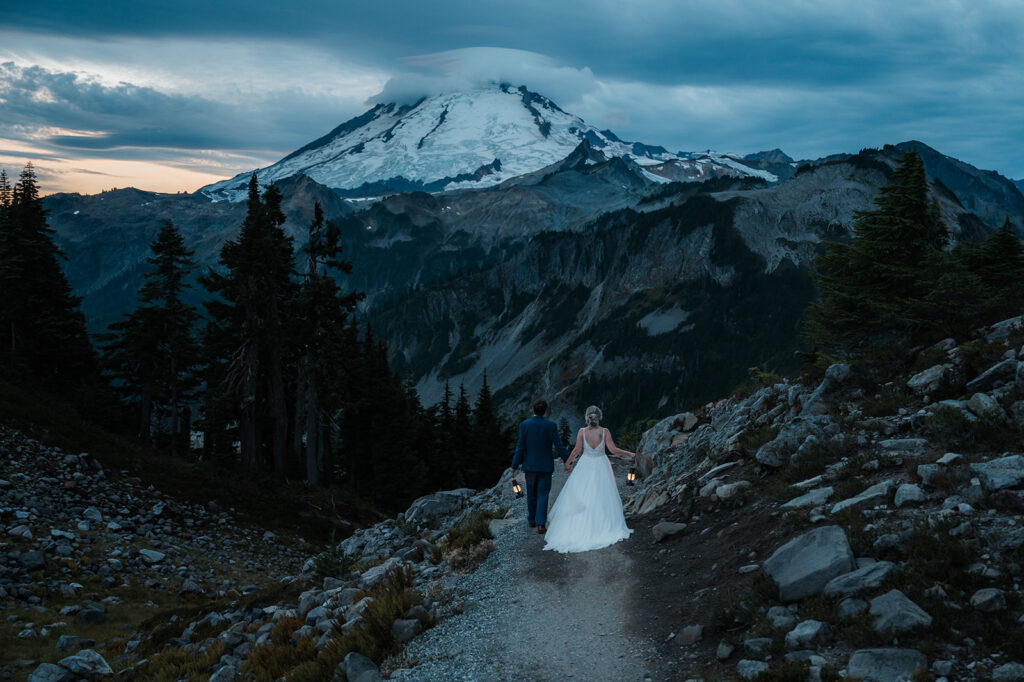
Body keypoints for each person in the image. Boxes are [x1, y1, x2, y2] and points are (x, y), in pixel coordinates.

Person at [543, 405, 635, 553]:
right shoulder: (604, 432)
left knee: (581, 493)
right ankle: (601, 522)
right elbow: (613, 450)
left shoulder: (582, 432)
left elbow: (576, 451)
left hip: (585, 464)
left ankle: (577, 525)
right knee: (602, 494)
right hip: (601, 465)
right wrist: (630, 454)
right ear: (599, 417)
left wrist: (568, 463)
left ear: (587, 418)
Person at [508, 399, 569, 534]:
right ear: (545, 411)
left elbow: (520, 447)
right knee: (543, 494)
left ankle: (532, 520)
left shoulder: (524, 425)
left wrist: (514, 465)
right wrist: (567, 460)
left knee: (531, 493)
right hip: (545, 466)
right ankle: (541, 524)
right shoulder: (551, 425)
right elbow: (559, 445)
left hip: (529, 466)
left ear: (532, 409)